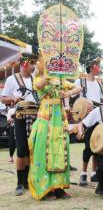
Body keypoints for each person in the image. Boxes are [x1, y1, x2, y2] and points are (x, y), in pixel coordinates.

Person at [28, 59, 82, 200]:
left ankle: (58, 188)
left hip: (58, 121)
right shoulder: (39, 79)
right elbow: (40, 85)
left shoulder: (60, 80)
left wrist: (67, 94)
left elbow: (79, 88)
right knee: (42, 152)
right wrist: (49, 72)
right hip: (45, 120)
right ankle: (45, 189)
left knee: (59, 151)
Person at [1, 52, 38, 196]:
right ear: (24, 64)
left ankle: (28, 181)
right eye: (32, 64)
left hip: (36, 116)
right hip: (20, 116)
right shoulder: (12, 79)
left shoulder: (36, 79)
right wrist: (13, 98)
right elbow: (3, 99)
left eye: (35, 63)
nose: (34, 66)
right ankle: (19, 183)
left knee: (32, 149)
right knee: (22, 149)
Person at [75, 53, 103, 186]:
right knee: (88, 147)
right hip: (87, 119)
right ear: (92, 67)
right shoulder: (80, 82)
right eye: (98, 65)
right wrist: (82, 104)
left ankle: (94, 173)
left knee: (97, 145)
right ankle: (83, 174)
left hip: (98, 118)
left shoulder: (100, 83)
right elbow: (70, 97)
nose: (99, 67)